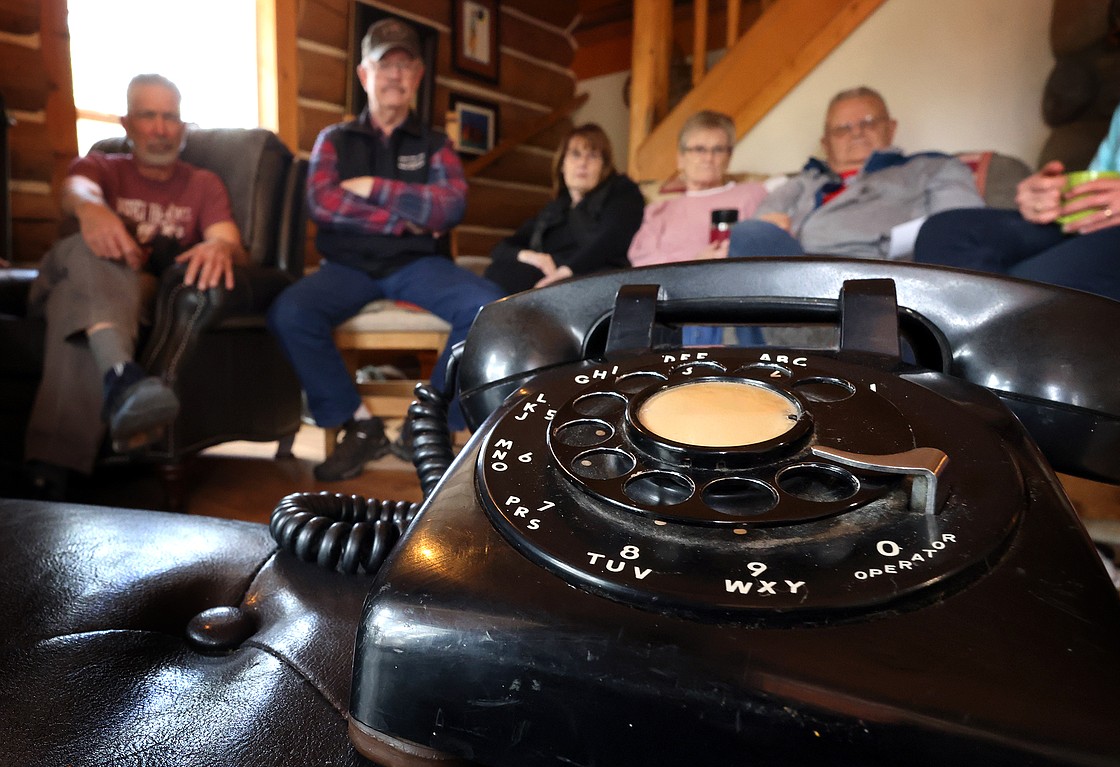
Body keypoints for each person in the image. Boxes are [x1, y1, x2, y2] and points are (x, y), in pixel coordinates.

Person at [267, 18, 504, 482]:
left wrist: (374, 187)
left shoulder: (436, 144)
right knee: (289, 312)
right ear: (364, 75)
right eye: (384, 64)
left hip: (419, 264)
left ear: (417, 76)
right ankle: (359, 424)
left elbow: (450, 206)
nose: (395, 75)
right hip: (347, 267)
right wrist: (407, 216)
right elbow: (324, 203)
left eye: (405, 65)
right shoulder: (334, 139)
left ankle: (428, 423)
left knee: (487, 307)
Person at [24, 73, 242, 498]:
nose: (160, 129)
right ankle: (124, 379)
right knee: (89, 249)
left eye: (170, 117)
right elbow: (76, 187)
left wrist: (219, 247)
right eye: (148, 116)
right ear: (127, 124)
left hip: (121, 302)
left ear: (182, 126)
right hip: (56, 281)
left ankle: (47, 477)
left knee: (88, 301)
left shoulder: (202, 184)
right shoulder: (101, 167)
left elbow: (225, 235)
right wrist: (92, 211)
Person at [914, 67, 1120, 312]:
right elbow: (1102, 178)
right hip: (1104, 220)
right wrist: (1054, 197)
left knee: (1025, 289)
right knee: (948, 230)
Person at [726, 86, 984, 262]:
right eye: (842, 129)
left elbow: (960, 230)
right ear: (826, 143)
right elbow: (759, 230)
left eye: (869, 122)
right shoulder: (801, 183)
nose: (857, 133)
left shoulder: (933, 167)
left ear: (891, 128)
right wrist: (772, 227)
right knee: (750, 234)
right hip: (792, 275)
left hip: (878, 277)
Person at [627, 110, 768, 345]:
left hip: (730, 294)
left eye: (718, 149)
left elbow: (766, 246)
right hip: (670, 297)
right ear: (680, 158)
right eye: (699, 149)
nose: (708, 158)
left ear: (729, 156)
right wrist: (694, 260)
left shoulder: (752, 194)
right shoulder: (660, 210)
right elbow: (641, 262)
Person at [484, 123, 644, 295]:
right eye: (576, 154)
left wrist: (565, 272)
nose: (583, 163)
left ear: (603, 166)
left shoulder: (621, 191)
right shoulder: (554, 210)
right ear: (562, 164)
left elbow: (612, 238)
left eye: (593, 156)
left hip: (591, 277)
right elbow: (501, 248)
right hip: (546, 277)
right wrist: (532, 257)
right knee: (499, 271)